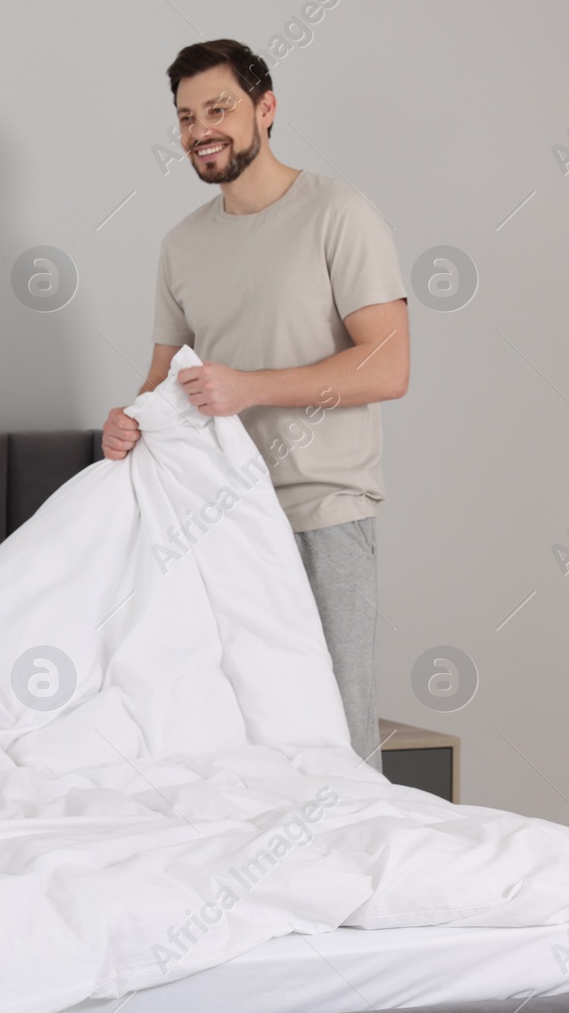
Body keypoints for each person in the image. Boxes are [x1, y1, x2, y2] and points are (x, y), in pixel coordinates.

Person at [102, 40, 409, 771]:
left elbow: (389, 364)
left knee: (336, 740)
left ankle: (357, 876)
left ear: (265, 109)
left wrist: (252, 386)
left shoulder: (339, 213)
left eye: (219, 109)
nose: (200, 129)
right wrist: (124, 423)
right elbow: (159, 384)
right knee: (237, 745)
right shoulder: (182, 246)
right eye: (185, 117)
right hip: (215, 524)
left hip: (322, 515)